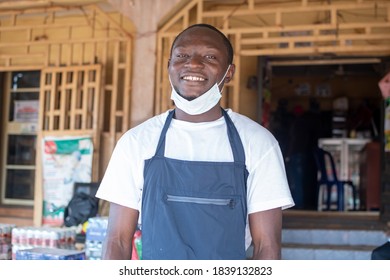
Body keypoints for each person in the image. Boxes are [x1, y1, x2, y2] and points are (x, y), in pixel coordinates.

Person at [96, 23, 294, 260]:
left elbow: (267, 248)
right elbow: (117, 241)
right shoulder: (136, 142)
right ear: (169, 66)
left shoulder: (258, 143)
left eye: (210, 56)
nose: (193, 63)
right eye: (182, 55)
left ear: (228, 72)